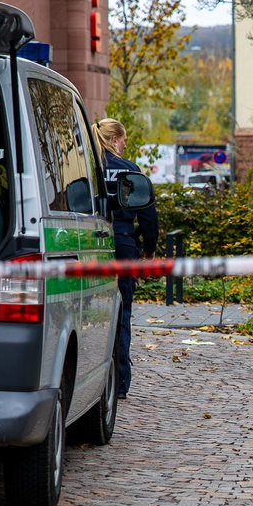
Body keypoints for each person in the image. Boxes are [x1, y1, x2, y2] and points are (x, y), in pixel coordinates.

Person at [92, 118, 158, 400]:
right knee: (121, 313)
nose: (126, 145)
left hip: (89, 243)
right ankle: (118, 384)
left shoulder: (86, 166)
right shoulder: (129, 170)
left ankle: (90, 380)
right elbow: (147, 212)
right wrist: (149, 248)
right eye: (125, 139)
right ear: (116, 139)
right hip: (122, 244)